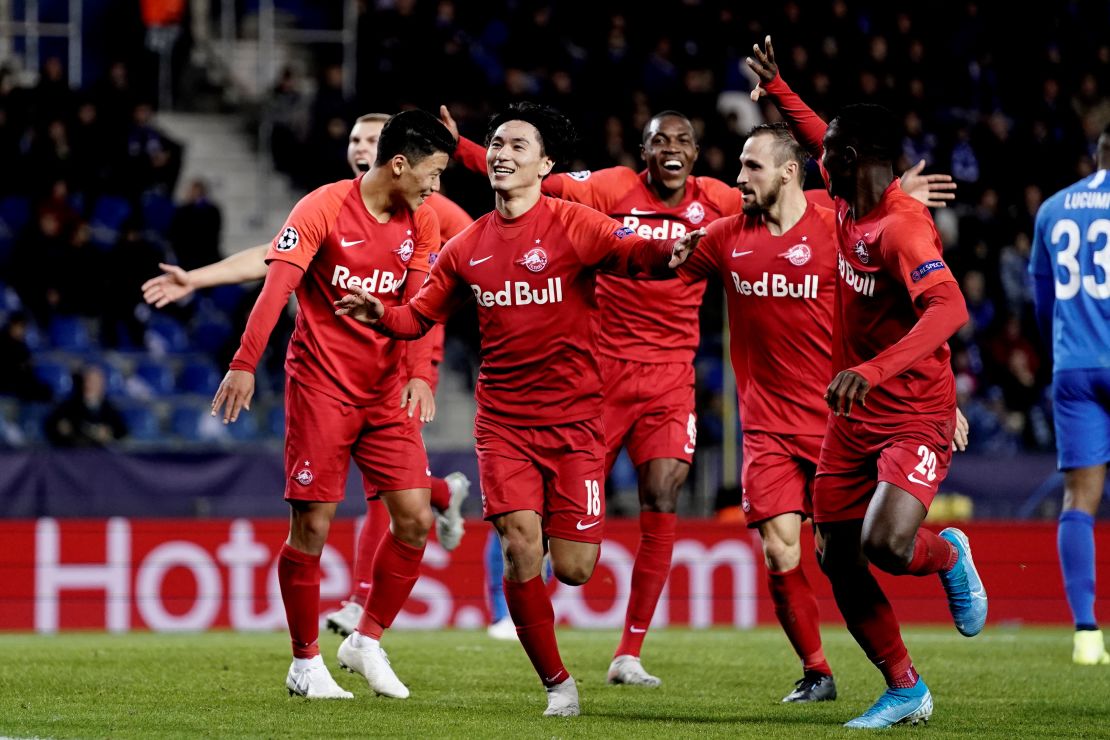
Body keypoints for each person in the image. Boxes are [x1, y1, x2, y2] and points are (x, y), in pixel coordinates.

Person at [441, 104, 956, 688]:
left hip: (686, 381)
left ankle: (631, 652)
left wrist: (893, 195)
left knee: (672, 496)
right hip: (604, 376)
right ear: (644, 150)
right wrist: (463, 151)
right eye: (660, 139)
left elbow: (832, 192)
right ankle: (504, 604)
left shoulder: (737, 201)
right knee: (530, 512)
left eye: (683, 140)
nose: (672, 149)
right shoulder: (614, 188)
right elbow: (529, 177)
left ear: (694, 152)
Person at [334, 102, 704, 717]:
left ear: (546, 164)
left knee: (577, 568)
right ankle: (559, 684)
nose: (502, 154)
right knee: (520, 548)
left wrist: (669, 254)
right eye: (496, 144)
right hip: (503, 424)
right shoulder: (467, 246)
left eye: (517, 146)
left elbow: (633, 251)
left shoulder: (575, 223)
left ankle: (560, 627)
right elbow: (418, 315)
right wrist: (382, 313)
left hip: (579, 422)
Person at [142, 113, 473, 639]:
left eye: (370, 138)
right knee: (354, 505)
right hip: (328, 378)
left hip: (401, 363)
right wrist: (199, 280)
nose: (359, 147)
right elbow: (278, 261)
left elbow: (437, 291)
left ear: (395, 155)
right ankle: (430, 504)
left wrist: (423, 373)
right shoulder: (328, 205)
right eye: (354, 139)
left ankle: (366, 609)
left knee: (389, 500)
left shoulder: (432, 209)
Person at [675, 122, 970, 702]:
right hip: (765, 427)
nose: (739, 177)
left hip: (845, 414)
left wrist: (941, 396)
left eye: (751, 166)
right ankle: (819, 671)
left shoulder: (835, 221)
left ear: (789, 171)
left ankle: (943, 562)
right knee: (782, 546)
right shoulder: (726, 235)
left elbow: (908, 305)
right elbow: (653, 262)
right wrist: (663, 249)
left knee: (861, 549)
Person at [748, 36, 987, 728]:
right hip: (853, 416)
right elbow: (826, 133)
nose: (817, 157)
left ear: (850, 164)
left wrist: (874, 368)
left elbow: (951, 307)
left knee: (885, 544)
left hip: (911, 410)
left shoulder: (902, 228)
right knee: (836, 553)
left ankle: (947, 555)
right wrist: (783, 88)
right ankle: (905, 686)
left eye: (828, 155)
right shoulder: (849, 199)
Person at [211, 109, 456, 700]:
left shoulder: (421, 224)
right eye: (432, 172)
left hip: (384, 391)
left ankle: (366, 641)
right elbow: (276, 290)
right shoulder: (320, 207)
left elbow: (421, 308)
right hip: (321, 388)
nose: (435, 185)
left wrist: (422, 374)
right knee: (312, 527)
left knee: (417, 518)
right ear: (400, 164)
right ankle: (303, 663)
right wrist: (245, 363)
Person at [1030, 122, 1110, 666]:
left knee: (1079, 500)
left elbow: (1042, 301)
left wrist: (1059, 352)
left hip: (1073, 367)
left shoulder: (1054, 208)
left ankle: (1086, 634)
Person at [45, 364, 128, 447]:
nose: (89, 385)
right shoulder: (69, 405)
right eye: (87, 380)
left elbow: (121, 431)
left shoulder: (109, 408)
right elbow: (53, 426)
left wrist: (109, 433)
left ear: (102, 385)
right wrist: (61, 429)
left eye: (94, 382)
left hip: (100, 454)